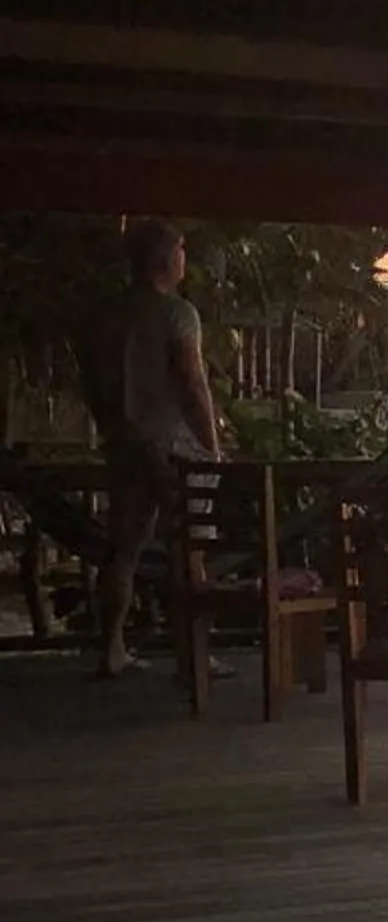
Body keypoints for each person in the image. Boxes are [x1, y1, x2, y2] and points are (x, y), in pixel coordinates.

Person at [89, 220, 222, 678]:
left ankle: (112, 647)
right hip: (174, 447)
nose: (186, 257)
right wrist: (211, 442)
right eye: (182, 249)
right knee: (189, 550)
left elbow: (92, 382)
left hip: (125, 443)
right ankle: (193, 654)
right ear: (166, 258)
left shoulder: (107, 314)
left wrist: (111, 426)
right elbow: (192, 383)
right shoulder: (177, 313)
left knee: (122, 550)